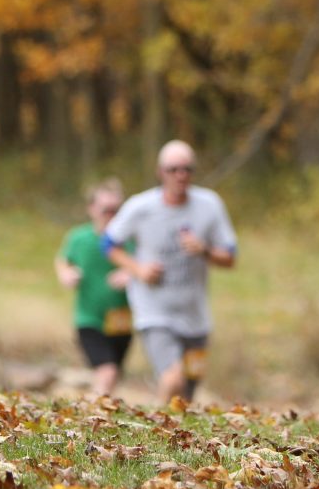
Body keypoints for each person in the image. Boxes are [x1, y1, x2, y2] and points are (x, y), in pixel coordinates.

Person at [104, 140, 237, 403]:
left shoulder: (209, 205)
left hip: (195, 317)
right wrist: (138, 269)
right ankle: (158, 432)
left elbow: (230, 257)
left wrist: (204, 250)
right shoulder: (140, 207)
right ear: (160, 171)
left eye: (187, 169)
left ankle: (177, 438)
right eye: (173, 169)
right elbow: (109, 243)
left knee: (187, 394)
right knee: (172, 378)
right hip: (154, 312)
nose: (181, 175)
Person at [55, 178, 134, 396]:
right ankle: (92, 417)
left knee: (112, 375)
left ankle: (98, 415)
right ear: (92, 209)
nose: (111, 216)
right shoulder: (79, 238)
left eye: (116, 210)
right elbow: (63, 260)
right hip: (89, 319)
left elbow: (145, 267)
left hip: (122, 321)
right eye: (106, 210)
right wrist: (67, 274)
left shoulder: (130, 240)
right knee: (106, 371)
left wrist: (130, 273)